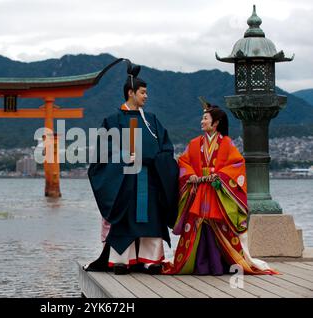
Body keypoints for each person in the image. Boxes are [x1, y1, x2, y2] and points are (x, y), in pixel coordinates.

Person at [84, 63, 179, 275]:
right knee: (125, 219)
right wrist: (126, 158)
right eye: (143, 92)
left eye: (146, 93)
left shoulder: (152, 120)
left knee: (151, 218)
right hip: (124, 179)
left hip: (150, 177)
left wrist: (157, 160)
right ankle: (121, 260)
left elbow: (166, 147)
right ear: (131, 93)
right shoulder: (113, 121)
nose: (146, 97)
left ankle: (151, 260)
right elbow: (105, 152)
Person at [162, 100, 277, 275]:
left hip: (217, 190)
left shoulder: (227, 144)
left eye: (205, 118)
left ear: (215, 123)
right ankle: (199, 264)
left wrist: (221, 175)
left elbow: (237, 163)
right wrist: (190, 174)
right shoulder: (194, 144)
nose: (202, 122)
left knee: (219, 224)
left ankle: (220, 264)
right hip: (200, 189)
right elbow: (183, 161)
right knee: (198, 223)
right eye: (202, 118)